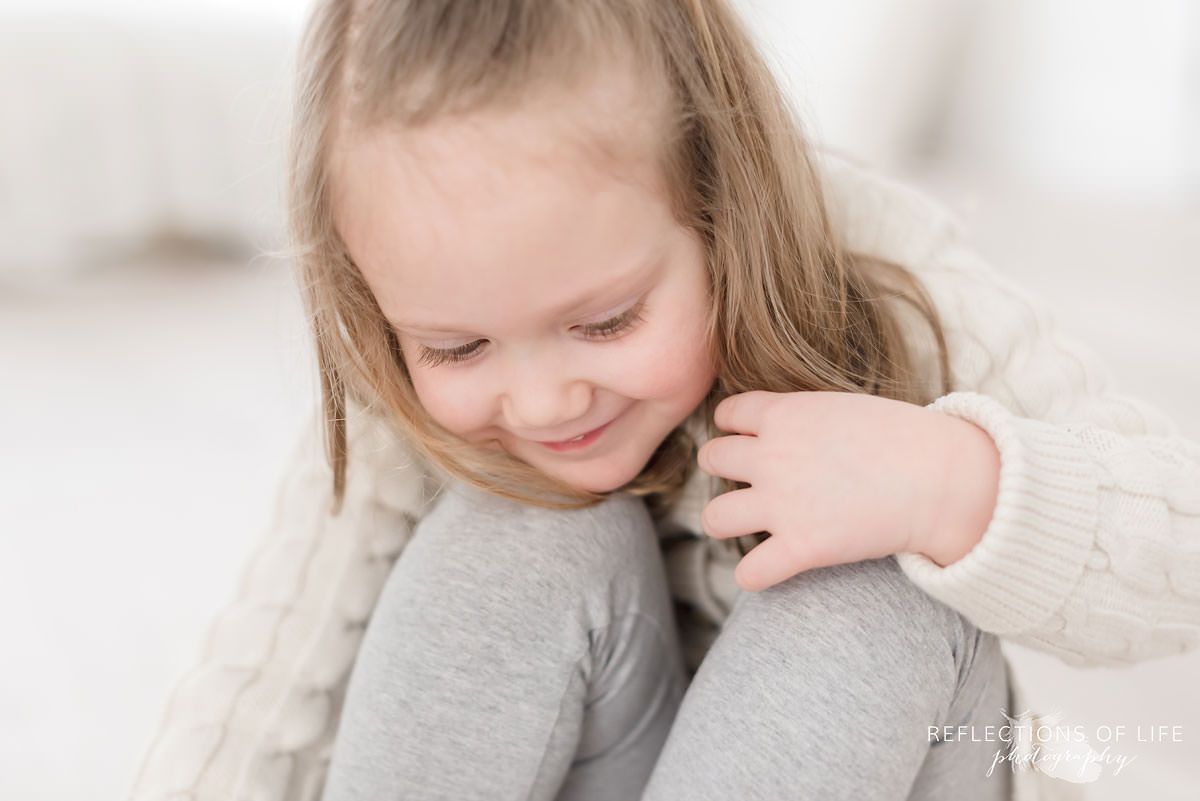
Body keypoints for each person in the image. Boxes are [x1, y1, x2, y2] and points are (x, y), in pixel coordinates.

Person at [129, 1, 1200, 800]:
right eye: (454, 346)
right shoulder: (406, 363)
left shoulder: (886, 270)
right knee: (506, 537)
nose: (545, 401)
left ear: (722, 199)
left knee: (868, 594)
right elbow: (268, 692)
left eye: (605, 322)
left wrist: (946, 484)